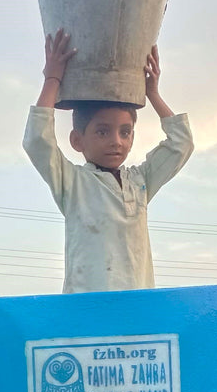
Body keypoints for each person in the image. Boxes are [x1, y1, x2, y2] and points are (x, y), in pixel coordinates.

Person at [23, 28, 194, 293]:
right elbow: (37, 141)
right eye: (102, 131)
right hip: (87, 306)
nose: (117, 141)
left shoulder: (141, 182)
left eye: (125, 132)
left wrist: (153, 95)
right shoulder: (72, 182)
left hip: (136, 305)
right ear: (77, 141)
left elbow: (181, 144)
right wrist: (53, 79)